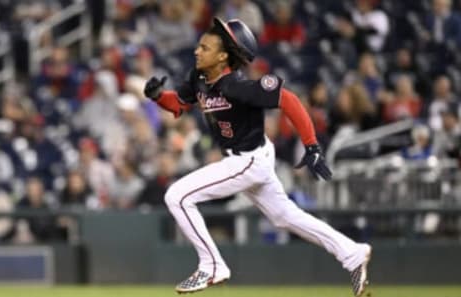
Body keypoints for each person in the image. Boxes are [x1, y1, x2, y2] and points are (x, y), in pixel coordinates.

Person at [143, 18, 372, 296]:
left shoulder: (238, 86)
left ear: (223, 56)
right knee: (284, 216)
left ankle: (212, 265)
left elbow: (288, 100)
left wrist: (312, 145)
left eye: (205, 47)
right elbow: (178, 104)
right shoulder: (199, 77)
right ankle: (353, 253)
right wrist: (158, 96)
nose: (197, 51)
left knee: (176, 196)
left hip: (248, 159)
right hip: (245, 157)